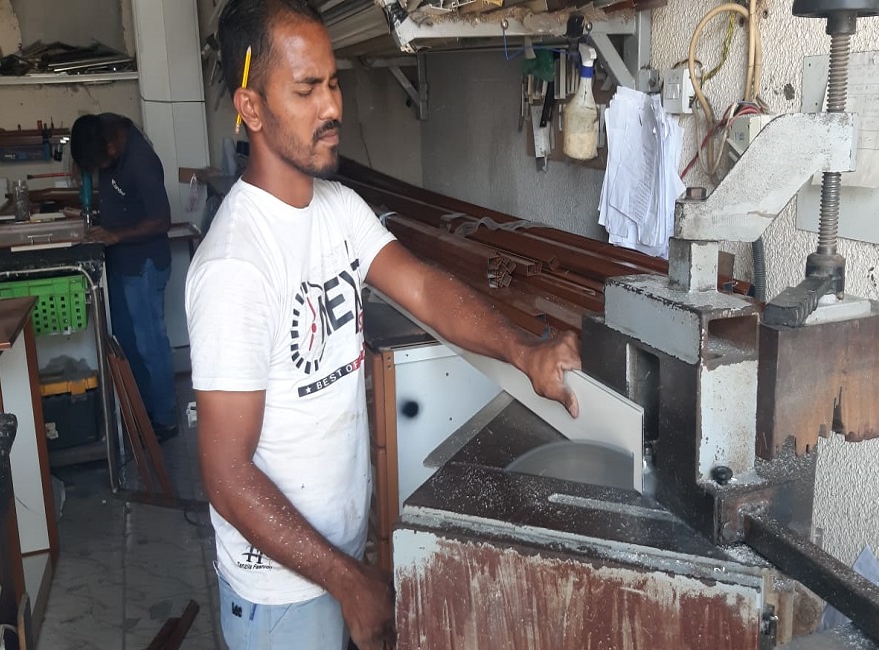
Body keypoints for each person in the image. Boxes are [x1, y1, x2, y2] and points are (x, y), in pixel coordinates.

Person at [185, 1, 582, 648]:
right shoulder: (236, 265)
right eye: (306, 89)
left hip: (332, 562)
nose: (331, 107)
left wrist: (524, 350)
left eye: (333, 83)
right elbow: (227, 475)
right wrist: (349, 582)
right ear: (251, 108)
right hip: (280, 599)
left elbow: (422, 286)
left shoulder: (338, 209)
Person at [70, 113, 178, 440]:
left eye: (99, 164)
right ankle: (143, 413)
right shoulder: (103, 130)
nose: (100, 170)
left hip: (144, 265)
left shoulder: (141, 162)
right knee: (127, 342)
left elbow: (161, 220)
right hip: (120, 262)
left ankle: (165, 418)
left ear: (112, 147)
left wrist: (115, 235)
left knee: (150, 345)